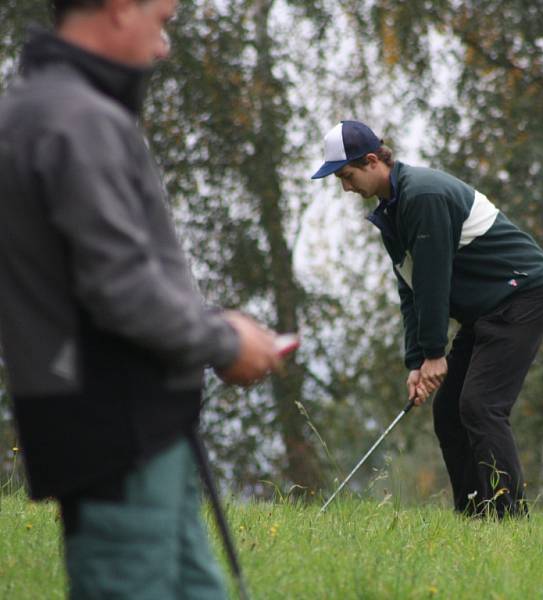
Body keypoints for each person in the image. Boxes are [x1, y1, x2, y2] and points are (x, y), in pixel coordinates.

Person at [0, 1, 285, 597]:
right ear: (119, 7)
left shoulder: (44, 108)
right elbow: (120, 288)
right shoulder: (75, 120)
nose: (164, 48)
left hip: (141, 425)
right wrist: (226, 340)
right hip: (116, 427)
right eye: (161, 22)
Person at [311, 120, 543, 517]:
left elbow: (433, 282)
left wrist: (433, 354)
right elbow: (410, 289)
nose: (345, 186)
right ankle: (475, 518)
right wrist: (416, 362)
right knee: (448, 413)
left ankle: (510, 519)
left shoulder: (422, 197)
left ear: (372, 161)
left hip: (521, 296)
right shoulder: (391, 212)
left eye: (346, 175)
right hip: (487, 308)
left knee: (481, 407)